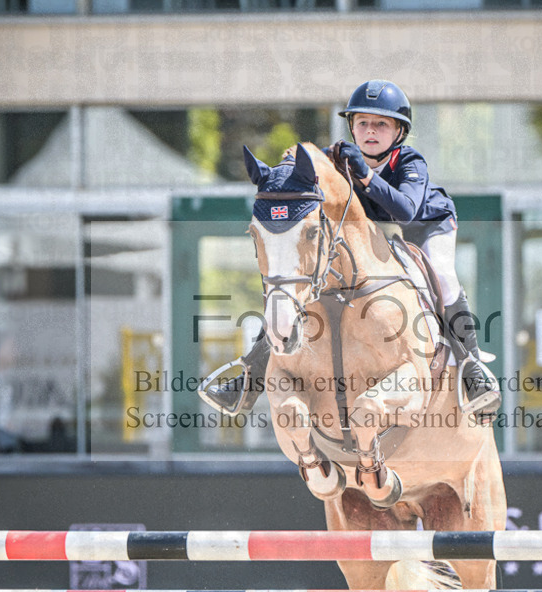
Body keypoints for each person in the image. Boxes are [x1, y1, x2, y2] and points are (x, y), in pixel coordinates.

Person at [204, 79, 500, 421]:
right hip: (373, 234)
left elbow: (405, 211)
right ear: (352, 127)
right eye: (362, 123)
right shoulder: (338, 159)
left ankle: (472, 367)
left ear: (399, 132)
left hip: (425, 226)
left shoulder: (411, 163)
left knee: (445, 277)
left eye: (381, 124)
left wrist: (365, 176)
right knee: (293, 287)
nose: (370, 131)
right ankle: (249, 378)